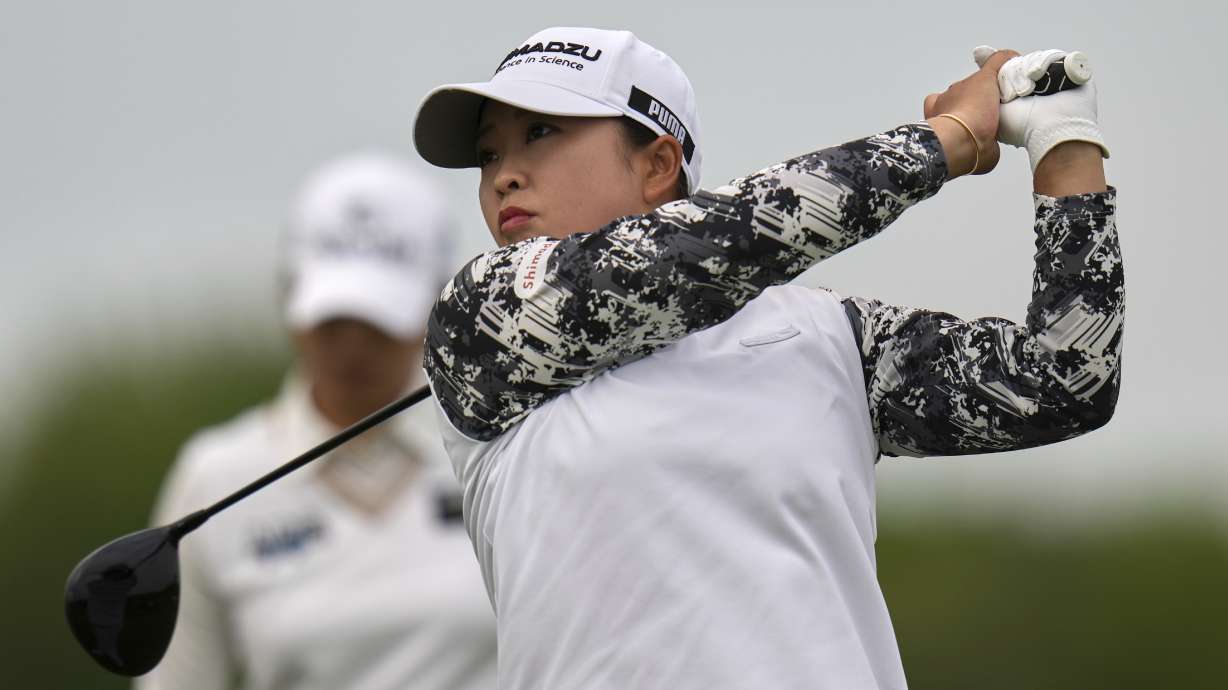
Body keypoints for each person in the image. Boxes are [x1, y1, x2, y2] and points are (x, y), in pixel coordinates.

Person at [412, 27, 1121, 690]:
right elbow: (716, 244)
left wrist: (1066, 143)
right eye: (489, 153)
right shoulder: (480, 320)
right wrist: (947, 140)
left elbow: (1064, 380)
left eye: (540, 133)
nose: (504, 174)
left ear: (658, 165)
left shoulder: (828, 337)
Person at [137, 154, 497, 690]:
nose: (352, 346)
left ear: (439, 302)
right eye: (333, 319)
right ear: (289, 298)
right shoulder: (214, 477)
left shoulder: (501, 447)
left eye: (377, 320)